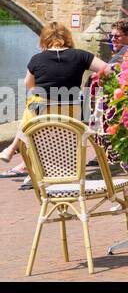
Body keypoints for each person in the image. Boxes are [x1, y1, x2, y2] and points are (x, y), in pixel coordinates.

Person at [1, 22, 112, 180]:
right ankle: (22, 158)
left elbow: (29, 85)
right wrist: (97, 78)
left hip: (40, 114)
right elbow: (108, 69)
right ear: (67, 37)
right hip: (71, 113)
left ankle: (13, 149)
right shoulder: (81, 55)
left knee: (33, 104)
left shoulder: (37, 59)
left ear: (44, 39)